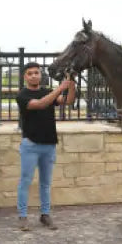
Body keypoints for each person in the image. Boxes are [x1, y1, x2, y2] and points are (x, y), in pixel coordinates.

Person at [16, 62, 75, 230]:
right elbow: (40, 104)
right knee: (25, 181)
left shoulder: (48, 92)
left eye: (36, 72)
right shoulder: (22, 95)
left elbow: (68, 101)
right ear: (25, 77)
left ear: (40, 75)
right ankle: (22, 216)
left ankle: (45, 214)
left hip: (49, 145)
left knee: (45, 183)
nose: (34, 75)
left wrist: (71, 84)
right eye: (30, 73)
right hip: (30, 145)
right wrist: (60, 88)